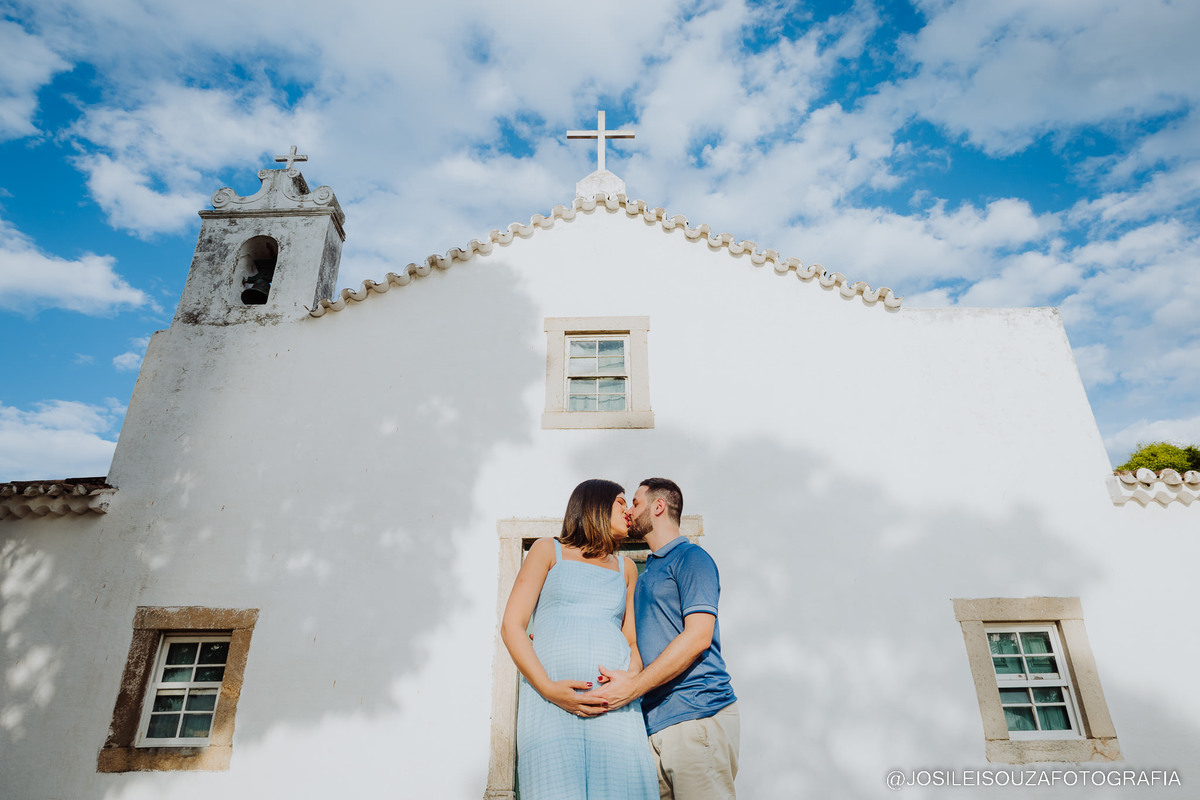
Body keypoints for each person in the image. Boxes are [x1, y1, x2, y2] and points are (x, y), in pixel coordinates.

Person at [501, 479, 658, 799]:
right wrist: (548, 688)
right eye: (620, 502)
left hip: (613, 706)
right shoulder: (548, 550)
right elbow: (512, 626)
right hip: (551, 703)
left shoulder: (627, 568)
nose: (628, 511)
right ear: (595, 505)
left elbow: (631, 641)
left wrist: (628, 679)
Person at [590, 478, 739, 800]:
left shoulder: (691, 559)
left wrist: (634, 685)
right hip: (653, 723)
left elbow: (698, 636)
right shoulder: (648, 575)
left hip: (697, 714)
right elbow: (642, 643)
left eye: (636, 502)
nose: (629, 511)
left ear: (658, 507)